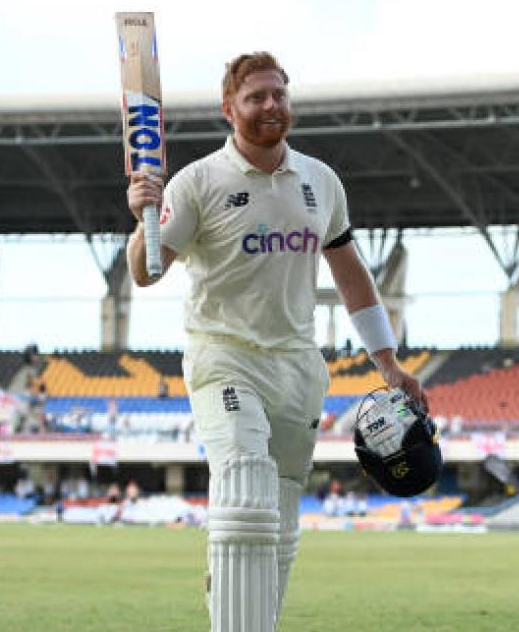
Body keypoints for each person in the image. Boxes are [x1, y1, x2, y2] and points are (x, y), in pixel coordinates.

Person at [126, 52, 427, 632]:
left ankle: (237, 588)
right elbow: (147, 271)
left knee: (281, 521)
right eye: (256, 97)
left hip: (298, 365)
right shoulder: (197, 182)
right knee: (243, 485)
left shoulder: (320, 180)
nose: (271, 106)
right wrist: (141, 218)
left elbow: (349, 271)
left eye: (279, 94)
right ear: (228, 109)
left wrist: (387, 361)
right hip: (224, 357)